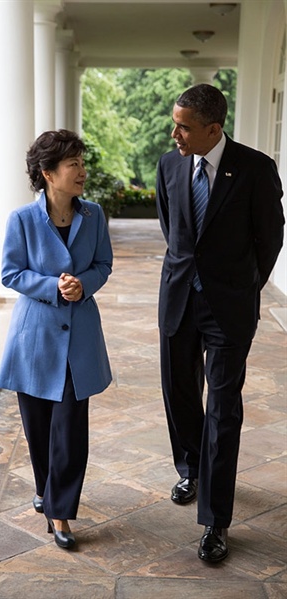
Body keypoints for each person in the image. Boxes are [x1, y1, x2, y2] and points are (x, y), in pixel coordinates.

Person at [156, 84, 284, 562]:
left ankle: (215, 520)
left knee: (223, 408)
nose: (175, 134)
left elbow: (269, 239)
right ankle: (190, 468)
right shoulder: (169, 164)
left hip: (229, 308)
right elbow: (173, 228)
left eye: (184, 127)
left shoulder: (255, 168)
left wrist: (243, 288)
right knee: (180, 393)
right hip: (177, 301)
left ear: (213, 129)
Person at [0, 129, 113, 549]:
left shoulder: (94, 215)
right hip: (35, 339)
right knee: (39, 427)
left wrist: (83, 284)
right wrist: (51, 285)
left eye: (82, 163)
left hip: (78, 339)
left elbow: (103, 264)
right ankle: (46, 489)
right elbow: (11, 273)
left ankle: (60, 512)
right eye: (73, 164)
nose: (82, 171)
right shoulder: (22, 220)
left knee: (69, 428)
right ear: (48, 173)